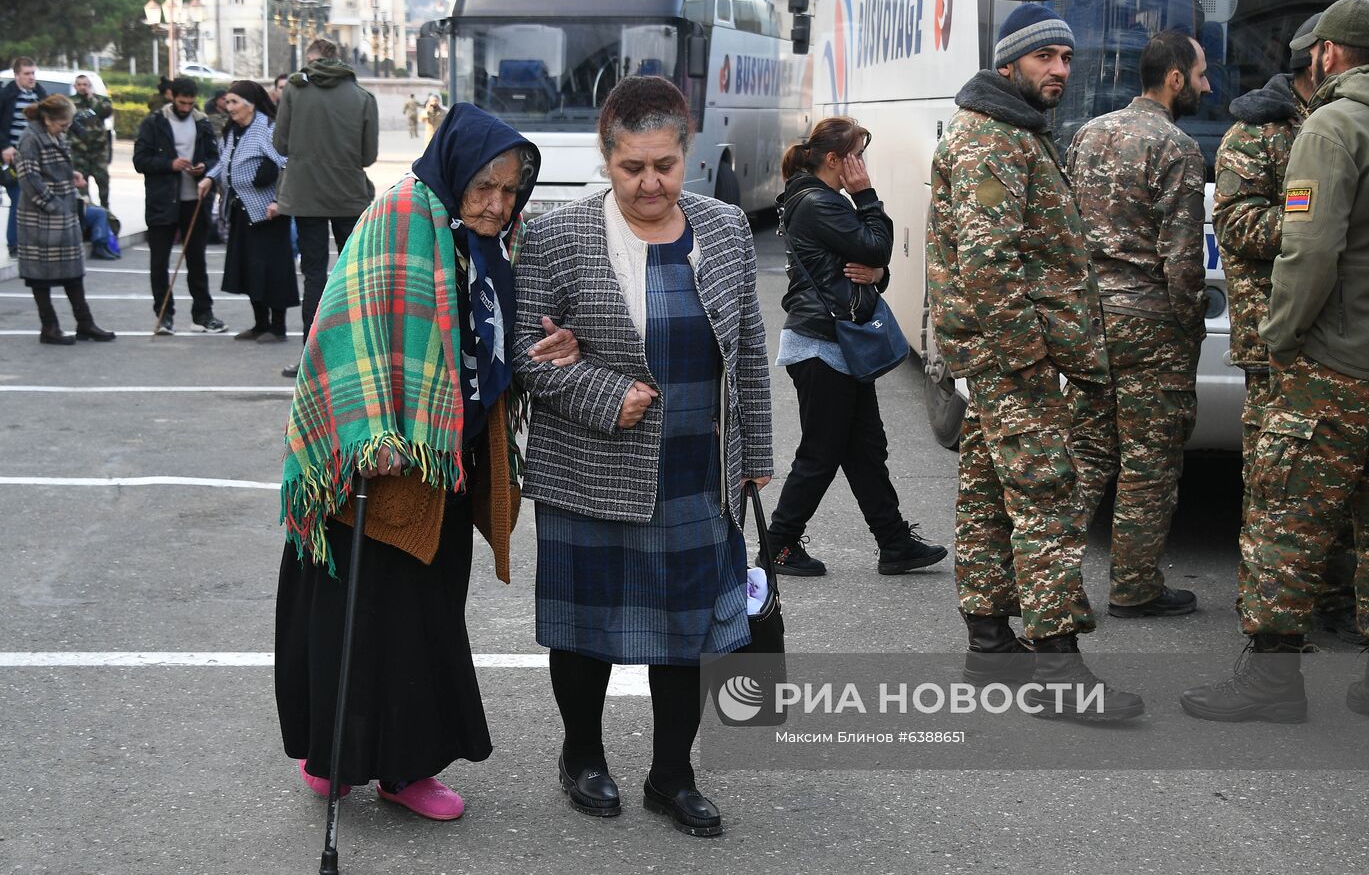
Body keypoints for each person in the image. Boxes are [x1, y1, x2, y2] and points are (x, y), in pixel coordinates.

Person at [277, 102, 581, 820]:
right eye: (486, 186)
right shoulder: (405, 216)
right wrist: (374, 432)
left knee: (417, 615)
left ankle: (375, 763)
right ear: (455, 171)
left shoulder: (482, 240)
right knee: (364, 616)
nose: (498, 204)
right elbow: (348, 328)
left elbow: (506, 329)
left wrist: (559, 341)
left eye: (511, 191)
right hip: (378, 462)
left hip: (443, 461)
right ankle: (367, 764)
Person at [513, 76, 773, 835]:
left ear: (686, 152)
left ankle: (672, 773)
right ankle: (583, 755)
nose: (651, 182)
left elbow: (748, 350)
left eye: (665, 164)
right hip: (590, 466)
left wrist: (755, 450)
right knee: (582, 626)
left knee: (688, 630)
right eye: (633, 168)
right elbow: (526, 355)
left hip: (696, 467)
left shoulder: (723, 228)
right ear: (606, 158)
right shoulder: (558, 234)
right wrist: (601, 393)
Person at [1182, 0, 1369, 729]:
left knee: (1286, 515)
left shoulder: (1334, 126)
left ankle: (1273, 681)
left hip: (1335, 364)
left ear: (1329, 54)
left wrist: (1281, 339)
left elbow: (1309, 253)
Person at [927, 3, 1142, 720]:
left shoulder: (1015, 131)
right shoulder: (990, 139)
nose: (1059, 70)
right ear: (1009, 61)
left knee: (990, 493)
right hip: (1016, 360)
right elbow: (990, 267)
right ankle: (1058, 666)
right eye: (1045, 57)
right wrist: (1033, 362)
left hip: (1005, 358)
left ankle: (989, 642)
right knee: (1046, 498)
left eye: (1067, 58)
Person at [1214, 11, 1363, 646]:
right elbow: (1237, 228)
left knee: (1334, 476)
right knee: (1274, 481)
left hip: (1336, 331)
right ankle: (1266, 609)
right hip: (1272, 333)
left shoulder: (1347, 123)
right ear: (1316, 61)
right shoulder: (1256, 132)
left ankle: (1330, 595)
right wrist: (1315, 223)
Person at [1064, 30, 1209, 619]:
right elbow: (1182, 260)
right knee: (1149, 461)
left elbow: (1067, 232)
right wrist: (1191, 326)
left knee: (1086, 453)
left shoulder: (1087, 134)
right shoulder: (1177, 149)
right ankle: (1135, 585)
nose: (1206, 84)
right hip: (1151, 328)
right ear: (1174, 77)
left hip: (1091, 322)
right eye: (1200, 74)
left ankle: (1051, 578)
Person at [765, 116, 947, 577]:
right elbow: (876, 246)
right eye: (857, 155)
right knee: (821, 453)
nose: (862, 164)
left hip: (837, 344)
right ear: (835, 160)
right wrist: (866, 195)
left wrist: (878, 274)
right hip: (822, 345)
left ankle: (895, 543)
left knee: (865, 448)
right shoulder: (818, 203)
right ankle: (779, 544)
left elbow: (868, 265)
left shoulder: (817, 198)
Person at [274, 38, 379, 377]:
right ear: (341, 59)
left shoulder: (294, 90)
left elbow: (281, 143)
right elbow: (368, 157)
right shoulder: (363, 98)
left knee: (314, 275)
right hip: (349, 196)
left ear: (313, 59)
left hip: (306, 197)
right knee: (354, 278)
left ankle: (311, 358)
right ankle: (355, 357)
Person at [197, 81, 297, 343]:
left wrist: (279, 200)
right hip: (241, 209)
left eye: (234, 102)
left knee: (272, 271)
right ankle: (259, 323)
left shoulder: (267, 129)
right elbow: (224, 162)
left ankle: (277, 327)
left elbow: (286, 164)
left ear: (250, 105)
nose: (228, 107)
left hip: (268, 212)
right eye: (227, 102)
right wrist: (209, 178)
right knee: (250, 270)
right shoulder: (234, 131)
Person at [12, 94, 115, 345]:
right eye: (62, 125)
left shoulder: (56, 134)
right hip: (40, 218)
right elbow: (29, 179)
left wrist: (73, 175)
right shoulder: (30, 139)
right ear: (47, 120)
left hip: (63, 214)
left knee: (73, 272)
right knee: (39, 275)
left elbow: (56, 167)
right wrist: (54, 205)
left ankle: (85, 323)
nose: (65, 129)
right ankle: (49, 327)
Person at [133, 76, 226, 334]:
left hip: (195, 202)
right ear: (172, 96)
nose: (186, 108)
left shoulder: (202, 122)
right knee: (159, 262)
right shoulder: (153, 122)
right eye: (182, 102)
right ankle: (164, 315)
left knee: (197, 261)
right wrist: (169, 165)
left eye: (190, 103)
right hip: (162, 202)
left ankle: (203, 314)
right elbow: (140, 160)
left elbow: (214, 157)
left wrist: (203, 168)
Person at [2, 57, 49, 253]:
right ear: (16, 75)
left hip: (35, 157)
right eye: (27, 74)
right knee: (18, 198)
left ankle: (31, 242)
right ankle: (14, 243)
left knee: (35, 199)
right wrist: (4, 146)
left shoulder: (39, 93)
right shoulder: (6, 94)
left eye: (33, 73)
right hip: (12, 159)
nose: (31, 78)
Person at [70, 75, 113, 209]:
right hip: (79, 152)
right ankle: (86, 209)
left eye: (85, 84)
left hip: (98, 151)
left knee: (103, 182)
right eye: (79, 84)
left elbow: (106, 111)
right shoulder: (69, 103)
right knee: (82, 186)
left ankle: (105, 209)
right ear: (75, 87)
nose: (82, 87)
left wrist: (91, 99)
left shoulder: (101, 100)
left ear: (90, 86)